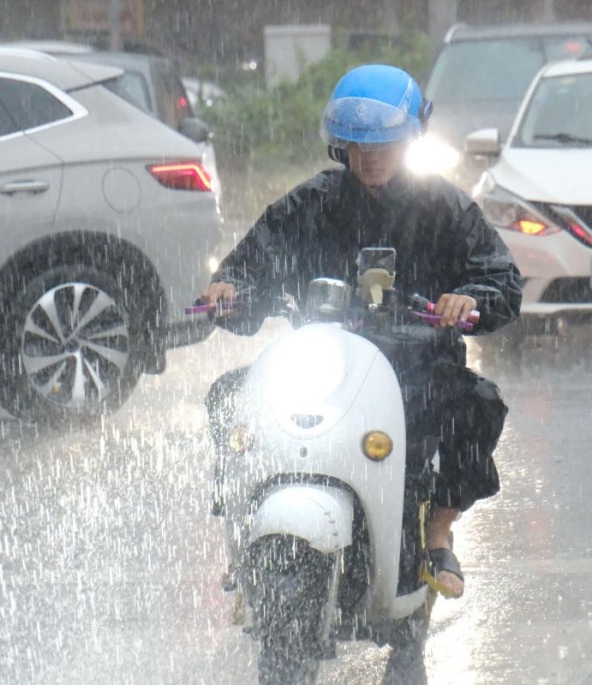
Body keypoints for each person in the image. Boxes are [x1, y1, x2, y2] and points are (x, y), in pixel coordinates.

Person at [200, 64, 524, 600]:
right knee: (231, 397)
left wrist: (471, 299)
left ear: (409, 140)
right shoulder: (309, 204)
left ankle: (438, 530)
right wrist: (228, 288)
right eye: (357, 144)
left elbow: (501, 281)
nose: (369, 156)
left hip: (418, 367)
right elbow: (247, 266)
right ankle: (244, 528)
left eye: (384, 143)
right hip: (324, 368)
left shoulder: (444, 206)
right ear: (341, 146)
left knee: (477, 405)